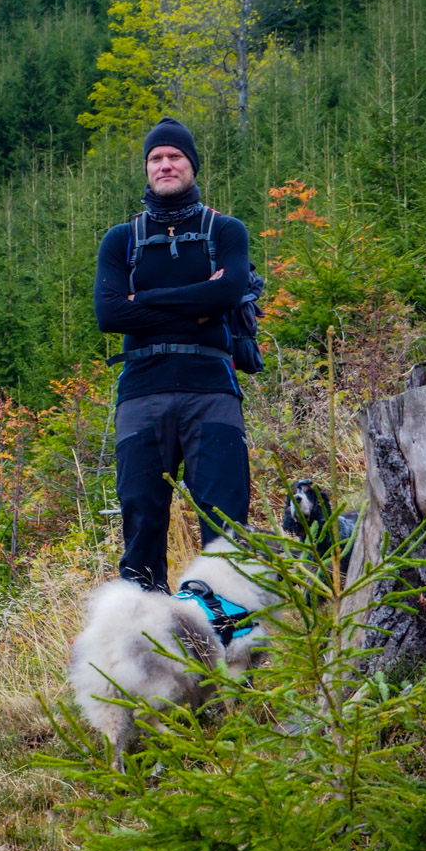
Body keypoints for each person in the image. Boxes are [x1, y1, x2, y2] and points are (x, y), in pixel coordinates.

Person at [94, 116, 251, 591]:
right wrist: (196, 300)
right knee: (141, 523)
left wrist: (144, 302)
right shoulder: (121, 240)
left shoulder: (226, 231)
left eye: (175, 157)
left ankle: (231, 643)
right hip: (142, 391)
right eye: (156, 158)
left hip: (212, 389)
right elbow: (109, 314)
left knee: (225, 525)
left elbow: (228, 295)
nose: (165, 165)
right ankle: (146, 645)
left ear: (192, 166)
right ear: (147, 169)